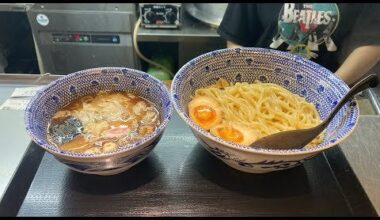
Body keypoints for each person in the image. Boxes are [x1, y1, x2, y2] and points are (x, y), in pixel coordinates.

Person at [217, 3, 380, 86]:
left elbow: (372, 38)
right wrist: (248, 85)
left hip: (329, 92)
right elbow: (238, 34)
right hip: (256, 84)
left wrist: (328, 89)